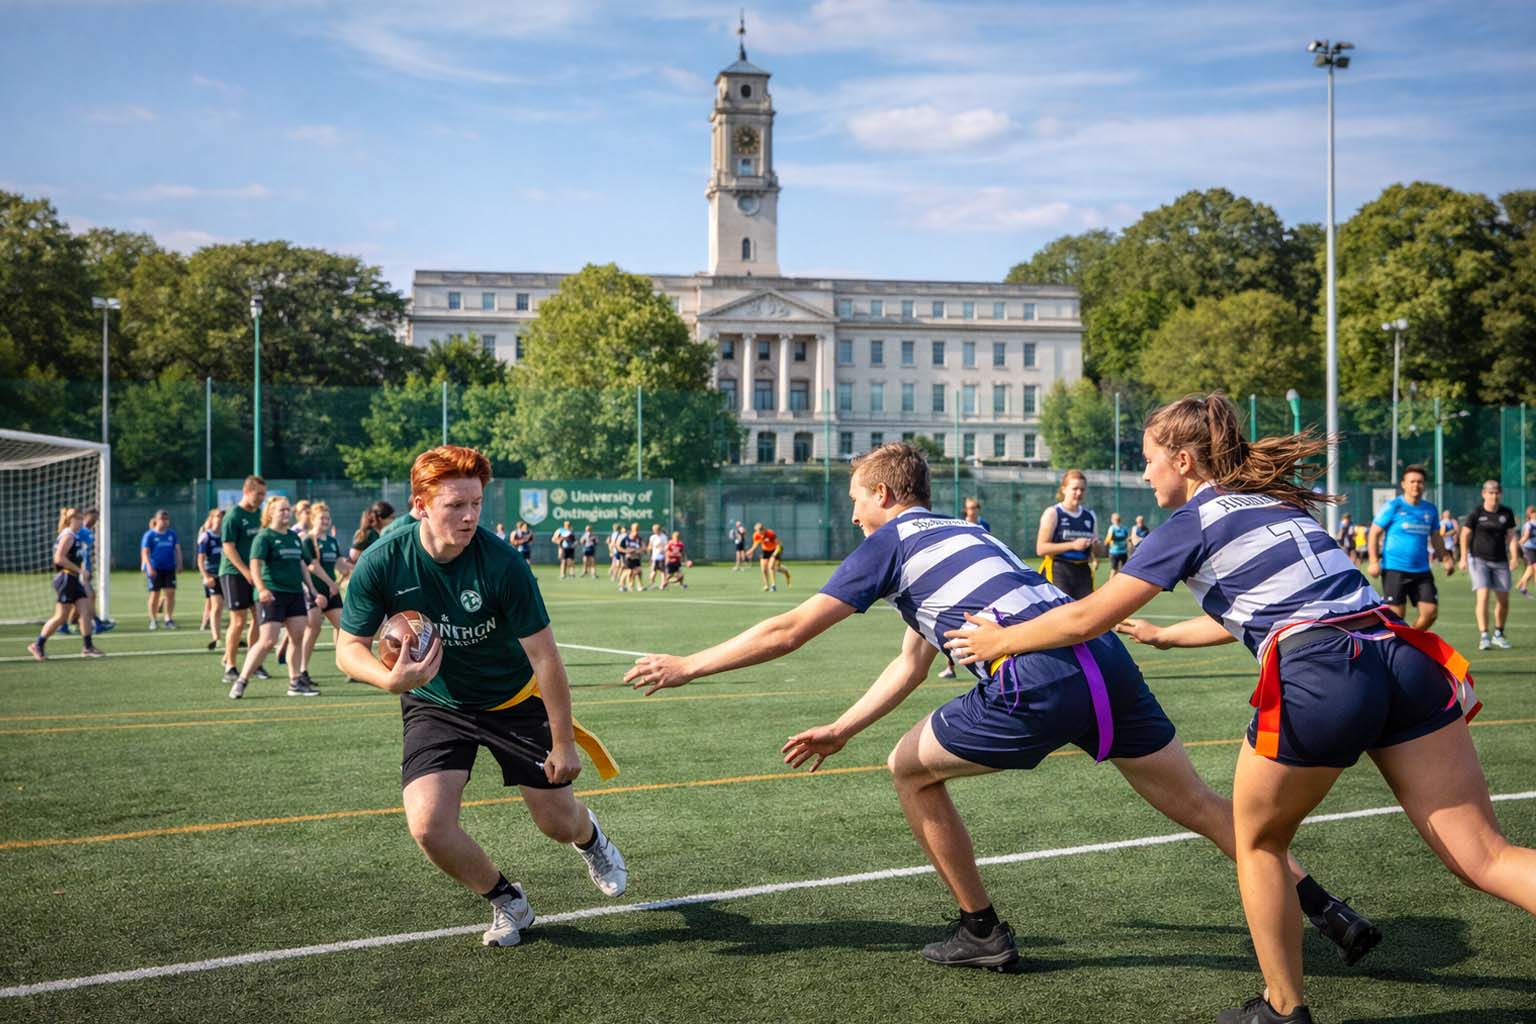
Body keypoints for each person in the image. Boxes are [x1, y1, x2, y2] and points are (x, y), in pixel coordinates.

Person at [624, 441, 1378, 978]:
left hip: (1039, 675)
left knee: (911, 773)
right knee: (1198, 803)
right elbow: (913, 659)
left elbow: (790, 629)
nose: (852, 514)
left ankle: (980, 930)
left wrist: (690, 663)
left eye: (856, 499)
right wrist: (845, 726)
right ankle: (1324, 907)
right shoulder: (966, 533)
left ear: (884, 496)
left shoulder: (893, 542)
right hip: (1105, 667)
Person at [946, 394, 1534, 1024]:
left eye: (1149, 461)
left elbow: (1088, 616)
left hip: (1326, 672)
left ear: (1182, 459)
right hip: (1402, 656)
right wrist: (1171, 635)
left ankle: (1283, 1008)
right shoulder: (1274, 505)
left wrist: (999, 640)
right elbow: (1288, 603)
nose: (1145, 476)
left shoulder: (1190, 522)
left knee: (1259, 843)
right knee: (1484, 855)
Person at [335, 444, 626, 949]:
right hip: (437, 703)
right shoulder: (384, 560)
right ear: (421, 505)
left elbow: (546, 659)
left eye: (476, 503)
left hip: (512, 700)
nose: (469, 516)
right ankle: (507, 900)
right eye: (455, 505)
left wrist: (563, 742)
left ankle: (591, 838)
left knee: (556, 822)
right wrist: (388, 680)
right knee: (428, 825)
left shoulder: (502, 564)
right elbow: (347, 647)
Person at [230, 496, 320, 699]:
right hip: (272, 593)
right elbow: (255, 564)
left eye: (288, 510)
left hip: (295, 593)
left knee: (297, 636)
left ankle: (295, 681)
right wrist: (261, 589)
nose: (286, 513)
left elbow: (301, 565)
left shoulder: (294, 537)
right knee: (268, 641)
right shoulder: (264, 537)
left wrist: (312, 590)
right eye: (282, 510)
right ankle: (242, 680)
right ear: (271, 512)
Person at [1367, 465, 1453, 630]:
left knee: (1430, 612)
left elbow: (1435, 537)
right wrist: (1373, 561)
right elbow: (1374, 533)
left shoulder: (1430, 509)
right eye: (1412, 481)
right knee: (1396, 617)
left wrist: (1446, 558)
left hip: (1421, 570)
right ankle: (1398, 649)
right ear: (1404, 484)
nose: (1416, 485)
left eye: (1420, 482)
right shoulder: (1394, 506)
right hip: (1395, 569)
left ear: (1424, 485)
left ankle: (1410, 642)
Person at [28, 508, 105, 659]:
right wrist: (80, 570)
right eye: (79, 519)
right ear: (71, 520)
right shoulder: (68, 536)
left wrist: (80, 571)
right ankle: (38, 644)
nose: (82, 522)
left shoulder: (74, 535)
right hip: (66, 578)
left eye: (82, 519)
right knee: (60, 617)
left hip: (73, 579)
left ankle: (88, 647)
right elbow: (58, 558)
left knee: (85, 611)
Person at [219, 477, 269, 686]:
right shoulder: (233, 516)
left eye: (263, 494)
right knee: (238, 621)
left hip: (254, 573)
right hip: (233, 573)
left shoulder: (259, 515)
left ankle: (253, 662)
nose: (261, 498)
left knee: (258, 618)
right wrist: (245, 571)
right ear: (246, 491)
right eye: (258, 494)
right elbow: (228, 547)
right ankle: (230, 665)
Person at [1460, 481, 1519, 650]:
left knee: (1503, 599)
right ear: (1484, 494)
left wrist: (1514, 557)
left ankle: (1498, 634)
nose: (1493, 496)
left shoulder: (1506, 513)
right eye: (1490, 492)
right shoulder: (1477, 513)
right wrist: (1463, 557)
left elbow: (1511, 537)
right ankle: (1484, 635)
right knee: (1483, 595)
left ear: (1500, 494)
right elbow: (1464, 535)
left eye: (1496, 492)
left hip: (1500, 560)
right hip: (1479, 559)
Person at [299, 502, 345, 687]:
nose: (325, 521)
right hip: (314, 591)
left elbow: (341, 563)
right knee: (313, 630)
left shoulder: (332, 541)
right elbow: (312, 566)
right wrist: (331, 583)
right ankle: (302, 671)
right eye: (321, 518)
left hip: (331, 591)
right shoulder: (308, 540)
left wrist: (357, 568)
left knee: (344, 627)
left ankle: (346, 665)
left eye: (327, 518)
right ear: (313, 520)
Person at [1036, 469, 1097, 600]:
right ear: (1064, 489)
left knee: (1088, 615)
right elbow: (1041, 549)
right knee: (1061, 613)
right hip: (1059, 568)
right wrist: (1073, 545)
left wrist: (1097, 545)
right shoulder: (1053, 513)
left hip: (1083, 570)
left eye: (1082, 489)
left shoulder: (1090, 515)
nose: (1079, 493)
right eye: (1074, 489)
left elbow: (1099, 551)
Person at [64, 507, 115, 635]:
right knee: (89, 596)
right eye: (93, 516)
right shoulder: (78, 531)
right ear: (85, 516)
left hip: (82, 570)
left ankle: (68, 624)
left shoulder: (87, 531)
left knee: (77, 599)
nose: (95, 519)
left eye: (97, 517)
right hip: (76, 571)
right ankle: (96, 624)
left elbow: (85, 551)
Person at [140, 509, 182, 630]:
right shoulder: (150, 535)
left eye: (166, 519)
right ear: (156, 520)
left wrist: (179, 563)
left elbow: (177, 549)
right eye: (162, 519)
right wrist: (149, 566)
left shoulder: (172, 534)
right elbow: (145, 552)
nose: (165, 521)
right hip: (155, 568)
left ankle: (168, 618)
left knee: (170, 593)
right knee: (155, 594)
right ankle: (153, 620)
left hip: (169, 568)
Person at [196, 508, 225, 651]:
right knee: (217, 606)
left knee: (233, 608)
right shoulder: (206, 537)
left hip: (226, 575)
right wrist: (206, 576)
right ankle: (216, 637)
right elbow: (200, 560)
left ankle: (233, 636)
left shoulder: (226, 536)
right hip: (212, 575)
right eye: (217, 516)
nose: (220, 519)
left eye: (222, 517)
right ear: (211, 518)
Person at [746, 522, 791, 592]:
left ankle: (773, 586)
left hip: (775, 549)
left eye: (760, 530)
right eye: (757, 531)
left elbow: (778, 544)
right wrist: (751, 551)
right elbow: (756, 544)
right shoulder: (756, 535)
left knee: (771, 567)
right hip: (765, 551)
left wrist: (775, 554)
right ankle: (766, 585)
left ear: (763, 529)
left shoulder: (770, 533)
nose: (758, 533)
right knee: (764, 569)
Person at [617, 523, 643, 593]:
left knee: (639, 571)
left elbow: (642, 547)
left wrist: (638, 551)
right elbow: (618, 546)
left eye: (638, 528)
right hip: (628, 557)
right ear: (632, 529)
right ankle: (622, 586)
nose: (637, 529)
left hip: (636, 557)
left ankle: (639, 586)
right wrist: (626, 551)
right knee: (628, 571)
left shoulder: (639, 538)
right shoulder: (626, 537)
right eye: (635, 528)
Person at [1104, 512, 1130, 578]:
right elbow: (1108, 539)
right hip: (1114, 553)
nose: (1117, 521)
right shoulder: (1112, 528)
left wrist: (1129, 544)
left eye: (1118, 519)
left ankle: (1122, 585)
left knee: (1125, 571)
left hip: (1123, 552)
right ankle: (1110, 585)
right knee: (1114, 570)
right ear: (1112, 520)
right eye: (1115, 519)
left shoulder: (1124, 528)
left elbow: (1128, 538)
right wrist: (1108, 541)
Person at [1517, 506, 1536, 598]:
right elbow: (1526, 535)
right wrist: (1519, 544)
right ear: (1529, 515)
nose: (1535, 514)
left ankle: (1521, 586)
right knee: (1535, 567)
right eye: (1533, 512)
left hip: (1534, 548)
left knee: (1530, 569)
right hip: (1528, 548)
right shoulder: (1529, 524)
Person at [646, 524, 667, 590]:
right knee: (653, 571)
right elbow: (649, 546)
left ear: (659, 530)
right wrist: (649, 552)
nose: (654, 531)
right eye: (654, 530)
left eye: (656, 530)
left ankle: (663, 585)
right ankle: (652, 584)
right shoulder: (652, 537)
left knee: (662, 571)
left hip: (662, 557)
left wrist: (663, 549)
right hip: (654, 557)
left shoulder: (664, 537)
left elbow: (666, 546)